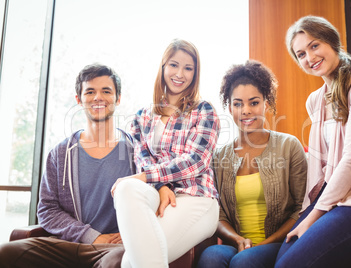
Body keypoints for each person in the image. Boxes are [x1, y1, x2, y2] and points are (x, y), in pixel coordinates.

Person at [0, 63, 175, 268]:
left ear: (118, 99)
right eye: (90, 91)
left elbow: (158, 190)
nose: (97, 97)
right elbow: (47, 210)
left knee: (119, 263)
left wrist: (133, 230)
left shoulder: (138, 150)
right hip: (70, 245)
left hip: (117, 249)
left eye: (106, 91)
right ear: (79, 99)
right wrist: (89, 236)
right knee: (6, 253)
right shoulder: (60, 153)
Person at [274, 16, 351, 268]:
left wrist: (313, 218)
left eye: (314, 46)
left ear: (333, 42)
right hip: (339, 197)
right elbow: (325, 161)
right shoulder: (315, 100)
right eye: (300, 54)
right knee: (283, 258)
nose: (309, 58)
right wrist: (309, 210)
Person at [110, 39, 220, 268]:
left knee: (130, 262)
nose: (180, 73)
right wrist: (161, 187)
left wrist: (147, 178)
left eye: (188, 68)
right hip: (159, 195)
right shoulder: (142, 116)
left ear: (195, 73)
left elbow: (196, 161)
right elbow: (143, 159)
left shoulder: (204, 110)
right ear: (163, 67)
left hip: (196, 196)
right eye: (174, 65)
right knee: (126, 187)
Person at [197, 60, 307, 268]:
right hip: (237, 244)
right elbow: (217, 213)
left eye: (254, 102)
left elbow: (300, 210)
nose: (245, 110)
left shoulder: (289, 146)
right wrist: (238, 240)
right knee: (211, 257)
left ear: (266, 103)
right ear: (229, 108)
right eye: (238, 104)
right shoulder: (219, 157)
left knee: (245, 262)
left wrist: (264, 244)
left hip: (279, 243)